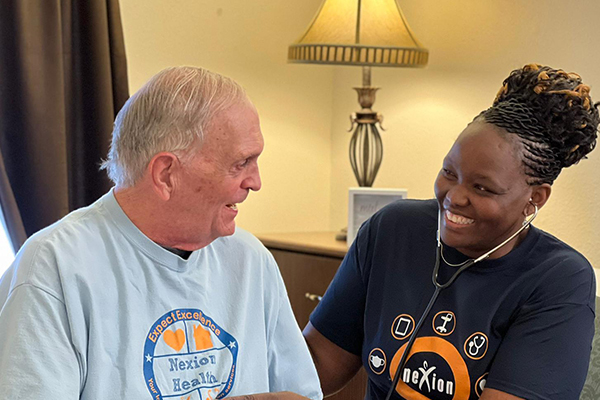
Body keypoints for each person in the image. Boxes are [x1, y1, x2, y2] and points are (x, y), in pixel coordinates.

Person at [0, 66, 322, 400]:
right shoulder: (54, 269)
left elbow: (301, 395)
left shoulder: (250, 260)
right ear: (166, 174)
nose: (255, 182)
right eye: (241, 163)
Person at [304, 64, 598, 400]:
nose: (454, 197)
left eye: (482, 188)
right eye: (449, 172)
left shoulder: (559, 279)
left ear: (535, 198)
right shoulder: (393, 230)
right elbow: (314, 367)